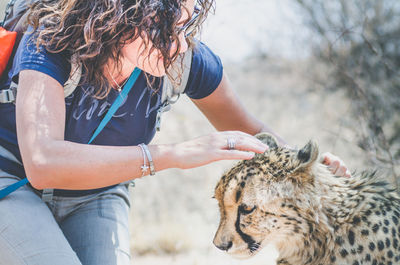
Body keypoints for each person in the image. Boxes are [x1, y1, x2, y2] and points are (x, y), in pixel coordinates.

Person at [0, 0, 350, 264]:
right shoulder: (51, 41)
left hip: (96, 194)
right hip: (11, 183)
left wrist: (312, 175)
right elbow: (43, 162)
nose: (179, 45)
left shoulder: (185, 61)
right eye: (165, 29)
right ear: (119, 15)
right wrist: (174, 155)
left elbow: (254, 134)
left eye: (185, 28)